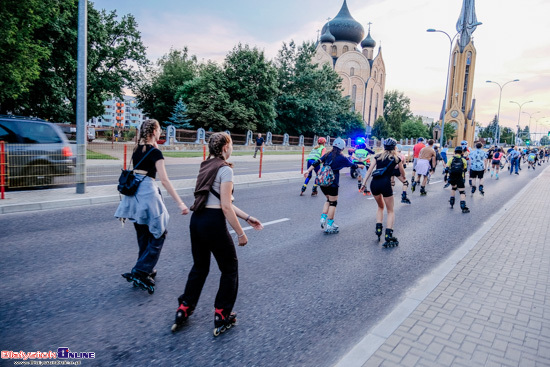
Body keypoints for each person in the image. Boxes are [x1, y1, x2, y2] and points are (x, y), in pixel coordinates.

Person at [173, 132, 263, 335]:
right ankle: (222, 314)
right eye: (231, 146)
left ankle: (184, 308)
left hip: (197, 221)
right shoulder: (225, 170)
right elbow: (224, 206)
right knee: (229, 269)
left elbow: (224, 202)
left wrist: (247, 218)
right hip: (213, 223)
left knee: (200, 267)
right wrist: (240, 233)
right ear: (224, 148)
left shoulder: (205, 165)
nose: (232, 149)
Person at [115, 119, 189, 294]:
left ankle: (146, 268)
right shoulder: (155, 152)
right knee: (160, 232)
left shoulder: (137, 150)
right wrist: (180, 202)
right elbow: (164, 180)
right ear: (154, 131)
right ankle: (141, 271)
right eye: (159, 129)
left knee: (143, 233)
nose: (161, 131)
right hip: (148, 194)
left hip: (133, 197)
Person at [304, 138, 363, 234]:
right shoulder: (341, 157)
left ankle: (323, 218)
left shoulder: (327, 154)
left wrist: (308, 170)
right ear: (342, 147)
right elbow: (352, 165)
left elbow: (317, 162)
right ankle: (330, 225)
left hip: (322, 182)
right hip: (333, 183)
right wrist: (360, 166)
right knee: (333, 203)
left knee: (328, 200)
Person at [360, 138, 405, 247]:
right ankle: (388, 235)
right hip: (386, 184)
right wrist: (405, 180)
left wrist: (363, 184)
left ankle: (378, 228)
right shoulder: (397, 159)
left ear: (384, 147)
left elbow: (369, 171)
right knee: (390, 211)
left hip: (374, 184)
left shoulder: (377, 156)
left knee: (380, 207)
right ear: (395, 147)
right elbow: (402, 173)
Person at [445, 146, 470, 213]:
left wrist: (446, 176)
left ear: (455, 151)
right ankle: (463, 206)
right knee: (462, 192)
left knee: (453, 188)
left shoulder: (451, 159)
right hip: (460, 177)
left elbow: (446, 168)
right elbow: (465, 169)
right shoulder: (463, 160)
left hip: (452, 176)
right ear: (461, 152)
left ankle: (452, 201)